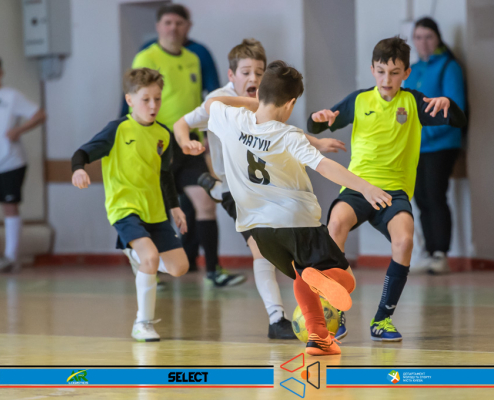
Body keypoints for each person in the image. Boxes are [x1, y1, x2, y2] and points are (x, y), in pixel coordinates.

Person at [202, 60, 392, 355]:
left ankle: (318, 337)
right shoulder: (287, 134)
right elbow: (324, 166)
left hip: (260, 232)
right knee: (346, 280)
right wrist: (365, 187)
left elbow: (211, 103)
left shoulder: (232, 119)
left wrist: (253, 101)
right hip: (297, 222)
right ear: (291, 103)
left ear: (260, 92)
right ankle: (323, 280)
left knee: (303, 276)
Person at [174, 39, 346, 339]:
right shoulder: (219, 101)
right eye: (246, 72)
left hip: (265, 189)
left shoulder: (266, 99)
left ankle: (214, 189)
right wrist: (185, 141)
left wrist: (316, 142)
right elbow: (182, 122)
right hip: (239, 189)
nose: (253, 78)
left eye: (259, 72)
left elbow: (280, 130)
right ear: (232, 75)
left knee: (277, 249)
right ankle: (276, 318)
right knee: (260, 251)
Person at [307, 36, 466, 341]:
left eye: (394, 73)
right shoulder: (359, 101)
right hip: (358, 187)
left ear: (406, 73)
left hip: (394, 193)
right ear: (372, 70)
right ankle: (335, 310)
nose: (386, 79)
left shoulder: (414, 103)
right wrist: (318, 119)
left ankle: (383, 319)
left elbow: (457, 120)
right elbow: (317, 126)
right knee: (335, 225)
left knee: (404, 240)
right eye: (380, 72)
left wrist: (449, 104)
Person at [71, 68, 190, 341]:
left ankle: (139, 258)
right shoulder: (118, 129)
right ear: (130, 100)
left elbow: (165, 175)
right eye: (146, 99)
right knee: (151, 258)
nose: (153, 105)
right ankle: (142, 324)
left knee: (179, 268)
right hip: (124, 209)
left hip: (155, 211)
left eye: (157, 99)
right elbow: (82, 152)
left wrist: (175, 207)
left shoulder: (164, 134)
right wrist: (78, 169)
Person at [130, 4, 242, 286]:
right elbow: (135, 102)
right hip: (156, 144)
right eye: (167, 22)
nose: (173, 28)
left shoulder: (193, 58)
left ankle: (213, 271)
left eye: (179, 23)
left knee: (206, 202)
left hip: (189, 143)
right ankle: (150, 271)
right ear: (158, 26)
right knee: (153, 209)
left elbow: (204, 99)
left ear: (187, 27)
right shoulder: (146, 56)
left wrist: (207, 134)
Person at [404, 17, 466, 275]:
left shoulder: (449, 66)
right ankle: (429, 252)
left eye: (428, 37)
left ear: (438, 39)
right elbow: (405, 109)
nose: (423, 43)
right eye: (418, 37)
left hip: (441, 144)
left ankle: (441, 253)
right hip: (417, 147)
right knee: (420, 197)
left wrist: (423, 134)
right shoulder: (413, 70)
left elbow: (454, 109)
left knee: (435, 194)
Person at [0, 57, 46, 271]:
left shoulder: (11, 97)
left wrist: (18, 130)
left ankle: (11, 257)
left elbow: (39, 115)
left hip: (11, 162)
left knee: (10, 205)